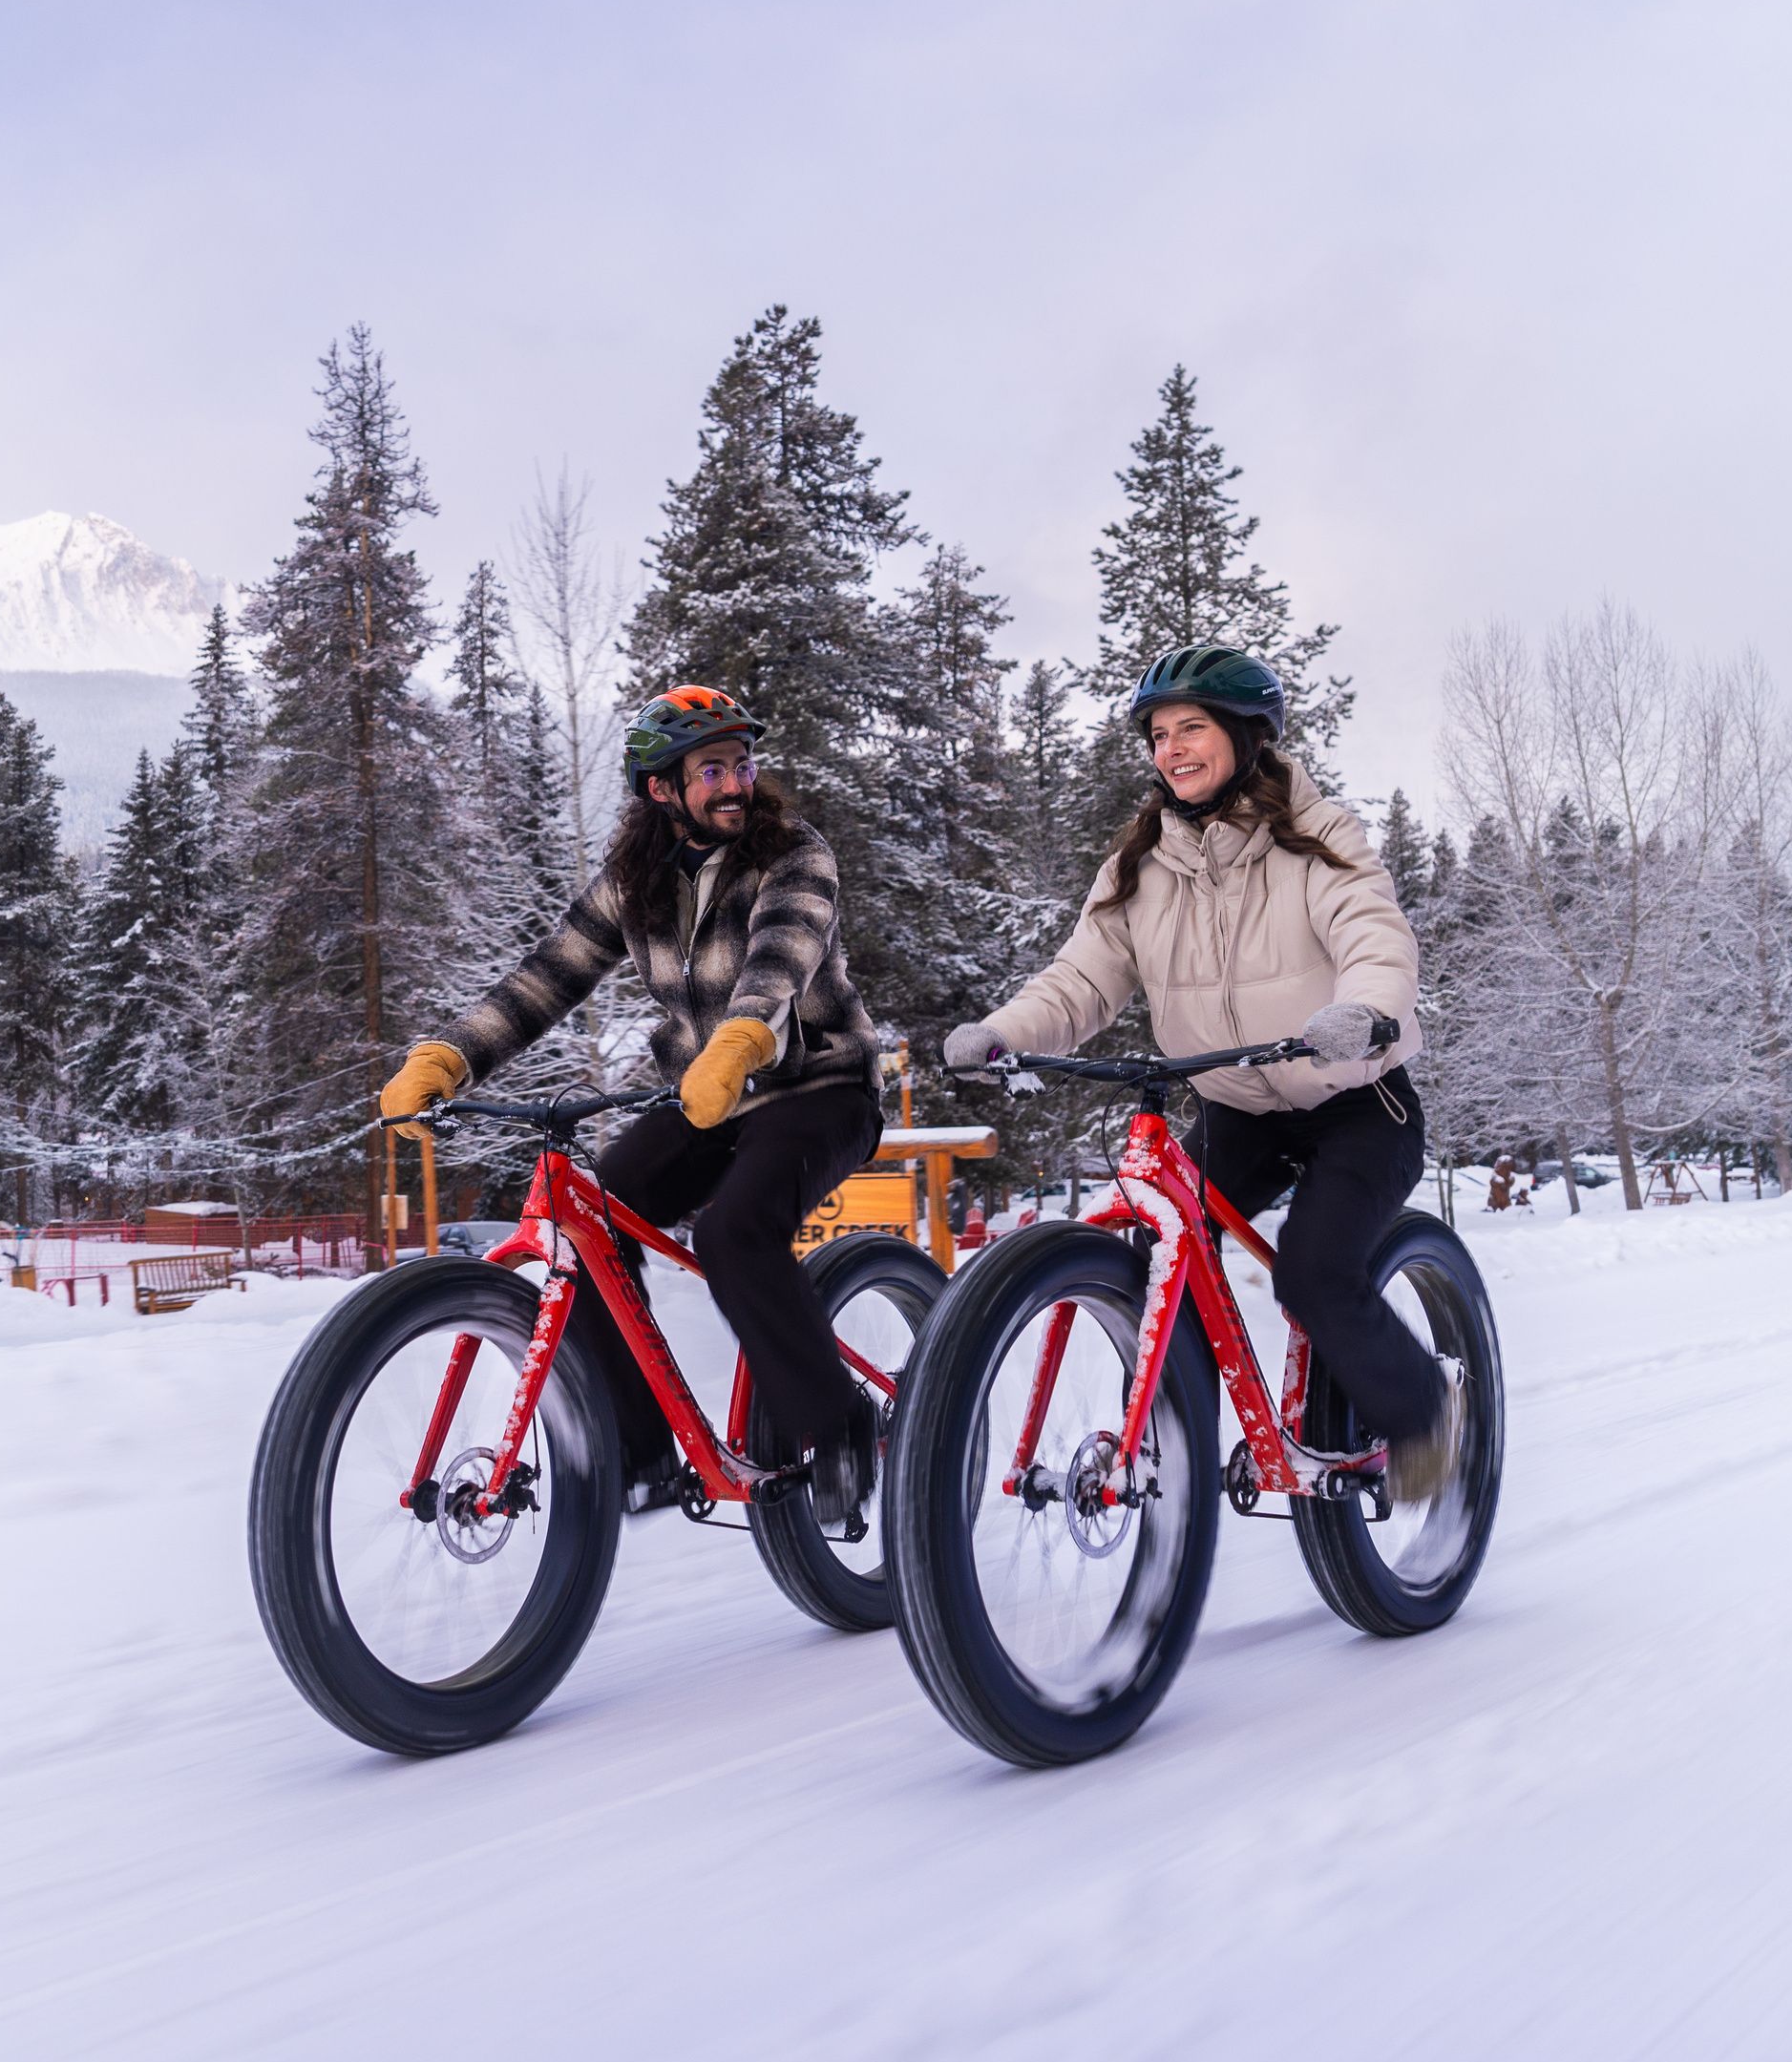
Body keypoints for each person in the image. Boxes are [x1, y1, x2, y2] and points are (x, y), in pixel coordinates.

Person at [943, 645, 1470, 1499]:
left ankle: (1424, 1419)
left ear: (1247, 735)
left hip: (1354, 1100)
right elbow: (1083, 977)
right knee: (1164, 1257)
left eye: (1192, 727)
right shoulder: (1140, 864)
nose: (1172, 749)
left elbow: (1374, 938)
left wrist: (1362, 1015)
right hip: (1236, 1107)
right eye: (1158, 734)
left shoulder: (1319, 836)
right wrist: (1004, 1033)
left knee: (1313, 1270)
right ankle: (1163, 1458)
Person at [379, 686, 890, 1524]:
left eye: (742, 763)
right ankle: (643, 1449)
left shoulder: (793, 853)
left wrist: (740, 1040)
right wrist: (451, 1056)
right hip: (705, 1100)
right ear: (661, 789)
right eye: (713, 769)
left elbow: (779, 960)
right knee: (595, 1224)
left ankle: (838, 1431)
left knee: (734, 1230)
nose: (736, 784)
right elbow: (548, 978)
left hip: (818, 1088)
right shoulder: (636, 881)